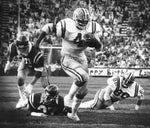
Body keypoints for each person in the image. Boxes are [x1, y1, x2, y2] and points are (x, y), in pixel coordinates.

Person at [35, 7, 103, 121]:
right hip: (68, 57)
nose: (83, 24)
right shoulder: (66, 25)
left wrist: (94, 41)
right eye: (81, 21)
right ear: (75, 19)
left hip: (82, 58)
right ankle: (68, 98)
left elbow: (99, 48)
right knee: (83, 77)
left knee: (83, 91)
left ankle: (73, 113)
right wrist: (37, 42)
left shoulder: (94, 27)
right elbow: (48, 27)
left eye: (85, 22)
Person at [4, 33, 45, 109]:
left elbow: (38, 73)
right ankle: (23, 99)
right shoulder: (13, 46)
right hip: (26, 62)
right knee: (20, 79)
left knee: (45, 84)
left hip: (36, 63)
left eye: (24, 49)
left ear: (27, 46)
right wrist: (8, 64)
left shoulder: (36, 53)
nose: (22, 51)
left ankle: (49, 101)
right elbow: (11, 54)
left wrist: (31, 85)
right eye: (20, 49)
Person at [79, 72, 144, 111]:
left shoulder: (136, 88)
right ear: (123, 77)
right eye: (124, 79)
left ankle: (79, 104)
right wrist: (111, 108)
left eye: (128, 81)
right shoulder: (117, 81)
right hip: (103, 94)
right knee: (96, 107)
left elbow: (141, 97)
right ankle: (77, 105)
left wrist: (136, 108)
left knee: (100, 107)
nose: (125, 82)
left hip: (112, 100)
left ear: (132, 82)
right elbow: (106, 94)